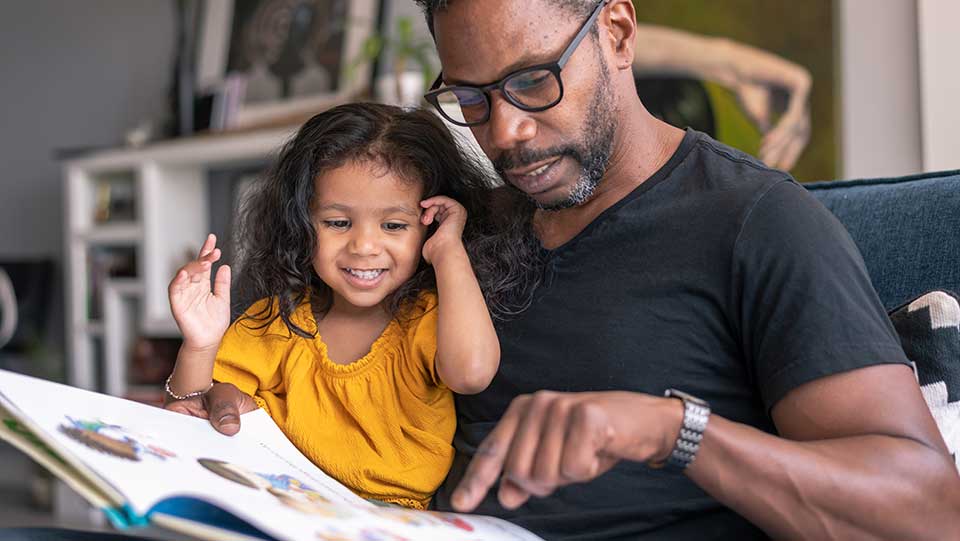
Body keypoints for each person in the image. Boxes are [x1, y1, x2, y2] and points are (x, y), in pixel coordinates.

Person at [408, 0, 957, 539]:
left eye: (531, 81)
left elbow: (929, 515)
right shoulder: (459, 227)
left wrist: (675, 433)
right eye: (472, 97)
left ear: (618, 34)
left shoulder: (756, 223)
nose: (505, 133)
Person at [163, 103, 510, 510]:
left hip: (392, 518)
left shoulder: (428, 319)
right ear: (301, 224)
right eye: (338, 223)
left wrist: (449, 249)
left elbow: (471, 374)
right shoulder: (279, 321)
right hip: (280, 502)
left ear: (428, 226)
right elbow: (188, 411)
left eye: (394, 226)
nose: (363, 246)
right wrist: (200, 345)